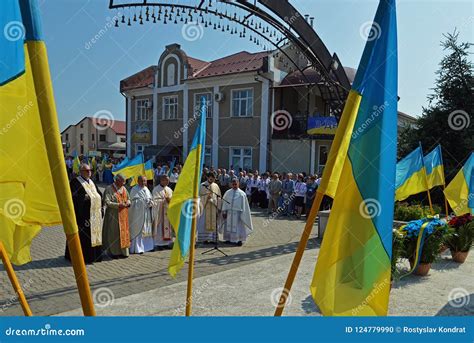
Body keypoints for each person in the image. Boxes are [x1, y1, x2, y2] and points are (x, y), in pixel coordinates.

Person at [65, 163, 103, 264]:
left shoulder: (91, 181)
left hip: (94, 214)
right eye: (87, 170)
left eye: (90, 170)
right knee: (84, 236)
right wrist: (83, 198)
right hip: (82, 215)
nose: (89, 172)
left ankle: (95, 256)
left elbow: (99, 193)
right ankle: (84, 257)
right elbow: (72, 197)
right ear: (81, 172)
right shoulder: (75, 182)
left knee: (94, 235)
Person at [102, 174, 131, 258]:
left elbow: (128, 198)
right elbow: (107, 202)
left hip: (123, 215)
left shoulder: (124, 188)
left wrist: (128, 202)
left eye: (124, 181)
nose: (124, 183)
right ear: (116, 180)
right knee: (114, 233)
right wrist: (118, 205)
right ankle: (114, 252)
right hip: (113, 215)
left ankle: (124, 252)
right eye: (122, 181)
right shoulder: (109, 189)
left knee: (123, 233)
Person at [221, 178, 253, 246]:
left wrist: (243, 214)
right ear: (231, 184)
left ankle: (239, 240)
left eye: (236, 184)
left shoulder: (242, 194)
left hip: (238, 214)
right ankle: (228, 239)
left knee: (239, 227)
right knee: (228, 226)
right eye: (233, 184)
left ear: (238, 184)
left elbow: (245, 206)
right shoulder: (228, 192)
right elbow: (224, 203)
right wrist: (224, 212)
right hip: (229, 213)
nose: (234, 185)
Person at [129, 175, 154, 254]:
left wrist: (150, 202)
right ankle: (138, 248)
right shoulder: (134, 189)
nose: (144, 182)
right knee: (139, 229)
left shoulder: (146, 189)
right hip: (138, 214)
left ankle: (147, 247)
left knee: (147, 229)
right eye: (142, 181)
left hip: (146, 213)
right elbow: (133, 202)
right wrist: (143, 202)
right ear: (138, 181)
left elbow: (150, 198)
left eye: (145, 181)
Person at [197, 172, 221, 243]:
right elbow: (199, 196)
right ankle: (205, 239)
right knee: (204, 222)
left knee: (213, 222)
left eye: (213, 177)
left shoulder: (216, 185)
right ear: (207, 177)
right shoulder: (202, 185)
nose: (212, 179)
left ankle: (213, 238)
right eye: (210, 177)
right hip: (205, 207)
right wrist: (206, 198)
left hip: (213, 206)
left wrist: (218, 207)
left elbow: (219, 197)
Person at [152, 175, 174, 250]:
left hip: (168, 212)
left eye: (168, 180)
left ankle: (167, 243)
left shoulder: (169, 189)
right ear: (162, 180)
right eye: (166, 180)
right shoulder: (156, 189)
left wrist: (169, 200)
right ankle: (159, 244)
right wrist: (163, 201)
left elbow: (173, 199)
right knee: (160, 228)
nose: (168, 182)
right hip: (160, 212)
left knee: (168, 227)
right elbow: (154, 201)